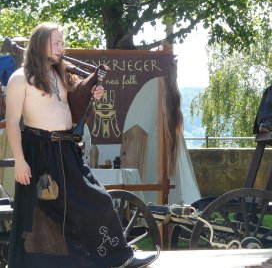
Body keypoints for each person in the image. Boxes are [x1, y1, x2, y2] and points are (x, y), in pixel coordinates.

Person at [5, 22, 158, 268]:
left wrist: (92, 95)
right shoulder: (20, 79)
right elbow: (12, 122)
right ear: (40, 43)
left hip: (67, 149)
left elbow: (74, 105)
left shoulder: (60, 74)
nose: (61, 48)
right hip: (40, 152)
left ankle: (117, 257)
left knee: (97, 200)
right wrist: (20, 161)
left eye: (62, 43)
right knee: (42, 214)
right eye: (56, 43)